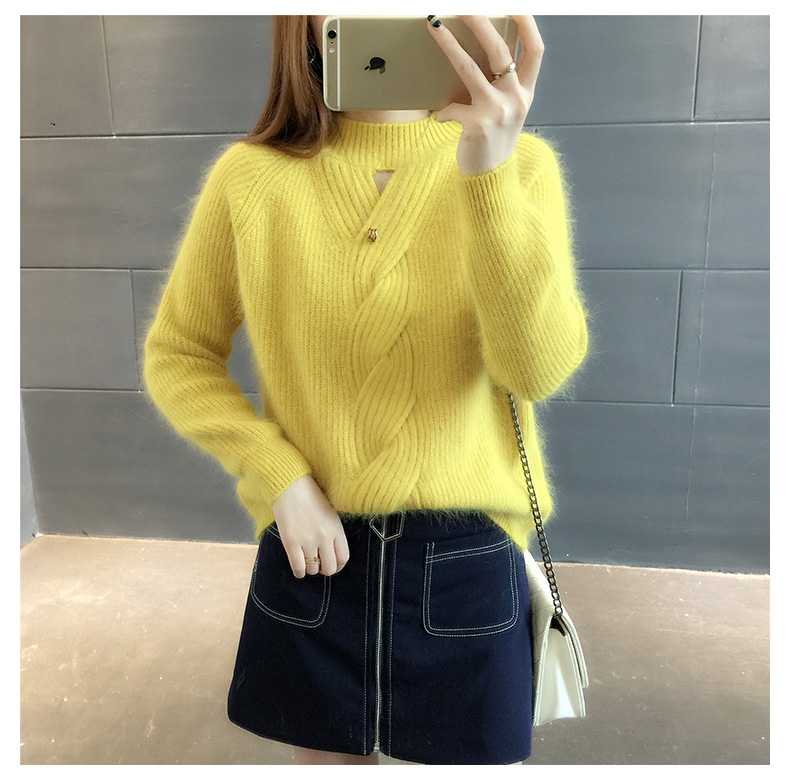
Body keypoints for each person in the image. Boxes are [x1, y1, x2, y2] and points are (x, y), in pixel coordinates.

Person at [142, 14, 590, 766]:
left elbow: (536, 371)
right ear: (304, 25)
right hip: (314, 557)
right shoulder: (251, 179)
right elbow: (178, 354)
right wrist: (277, 473)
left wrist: (488, 177)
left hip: (466, 565)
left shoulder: (522, 166)